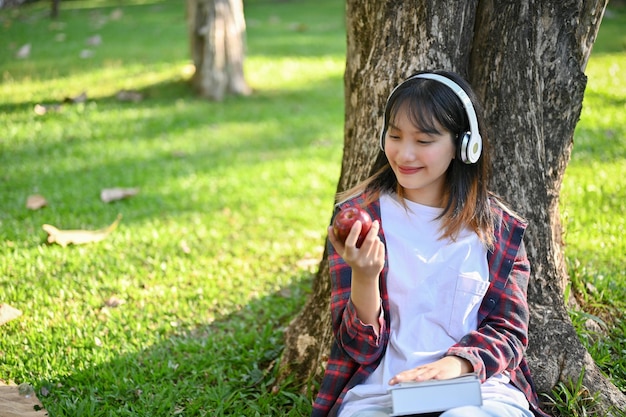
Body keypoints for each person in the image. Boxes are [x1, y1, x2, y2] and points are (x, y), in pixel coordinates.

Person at [312, 70, 551, 417]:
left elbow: (509, 331)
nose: (405, 154)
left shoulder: (498, 231)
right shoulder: (361, 217)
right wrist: (365, 276)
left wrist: (457, 364)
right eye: (395, 136)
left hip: (474, 388)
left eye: (424, 141)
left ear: (464, 145)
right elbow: (358, 349)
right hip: (384, 392)